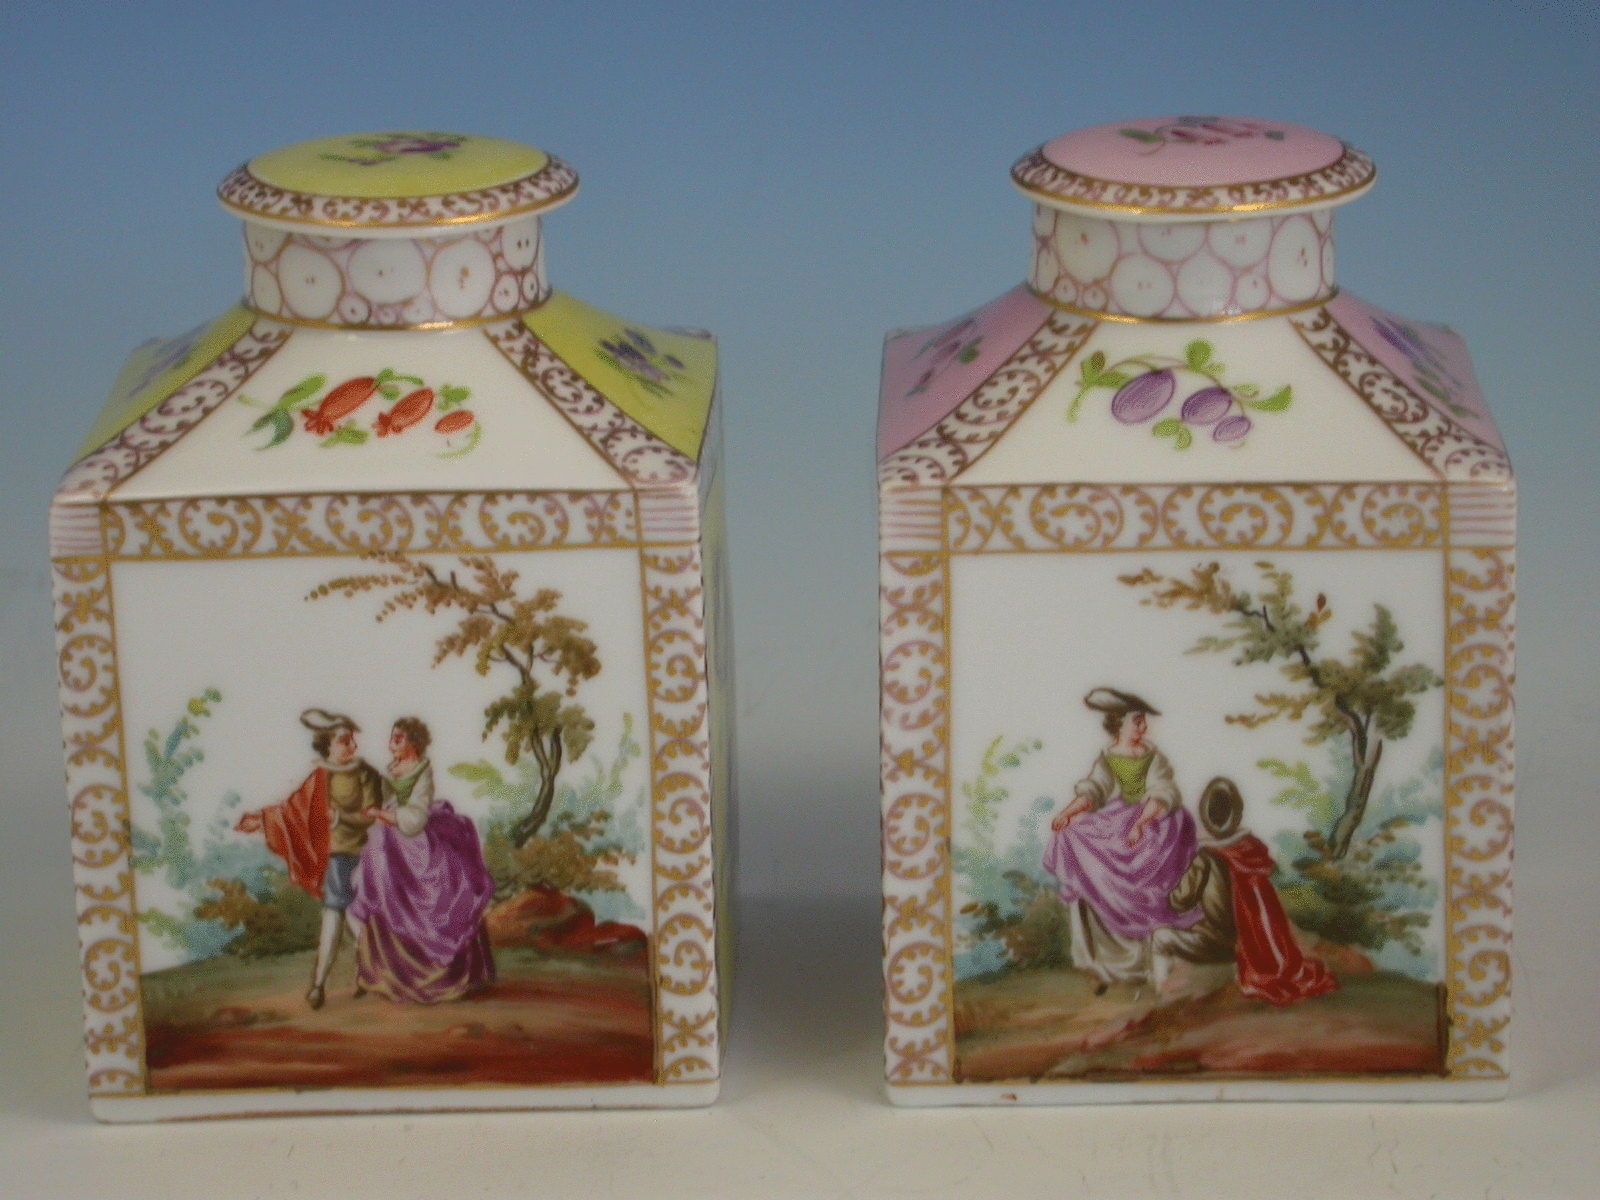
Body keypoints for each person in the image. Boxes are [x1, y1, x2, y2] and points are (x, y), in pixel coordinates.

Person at [1043, 688, 1203, 991]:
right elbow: (1094, 790)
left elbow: (1162, 792)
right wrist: (1067, 813)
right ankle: (1107, 966)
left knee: (1147, 880)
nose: (1143, 727)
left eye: (1143, 721)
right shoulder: (1107, 757)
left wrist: (1141, 823)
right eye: (1137, 722)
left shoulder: (1154, 756)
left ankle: (1153, 961)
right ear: (1118, 725)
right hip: (1118, 820)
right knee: (1074, 839)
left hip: (1157, 822)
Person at [235, 709, 383, 1010]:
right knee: (344, 917)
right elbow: (293, 812)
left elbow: (372, 815)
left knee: (349, 918)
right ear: (327, 745)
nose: (352, 746)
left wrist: (340, 819)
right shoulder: (320, 776)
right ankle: (336, 982)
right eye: (344, 741)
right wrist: (263, 820)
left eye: (351, 740)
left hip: (364, 856)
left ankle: (331, 983)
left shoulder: (365, 773)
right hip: (336, 858)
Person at [346, 717, 496, 1004]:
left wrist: (381, 815)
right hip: (389, 833)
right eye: (392, 738)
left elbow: (415, 818)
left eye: (398, 739)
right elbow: (384, 801)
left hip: (415, 835)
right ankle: (388, 974)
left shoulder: (422, 771)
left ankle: (438, 975)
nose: (392, 744)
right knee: (378, 871)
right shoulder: (392, 768)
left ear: (413, 742)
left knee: (434, 887)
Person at [1154, 777, 1339, 1005]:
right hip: (1253, 940)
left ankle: (1159, 996)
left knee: (1160, 937)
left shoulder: (1206, 856)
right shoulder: (1251, 848)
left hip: (1221, 941)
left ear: (1207, 816)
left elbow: (1179, 901)